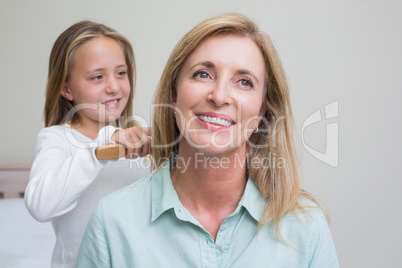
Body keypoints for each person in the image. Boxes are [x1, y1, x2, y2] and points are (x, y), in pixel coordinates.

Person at [77, 13, 339, 267]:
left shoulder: (307, 227)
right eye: (203, 74)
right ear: (173, 94)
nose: (220, 95)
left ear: (261, 112)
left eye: (244, 82)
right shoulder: (111, 221)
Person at [24, 21, 150, 268]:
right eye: (97, 77)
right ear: (66, 89)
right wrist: (101, 147)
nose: (114, 86)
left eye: (121, 73)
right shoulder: (57, 138)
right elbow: (40, 206)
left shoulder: (136, 143)